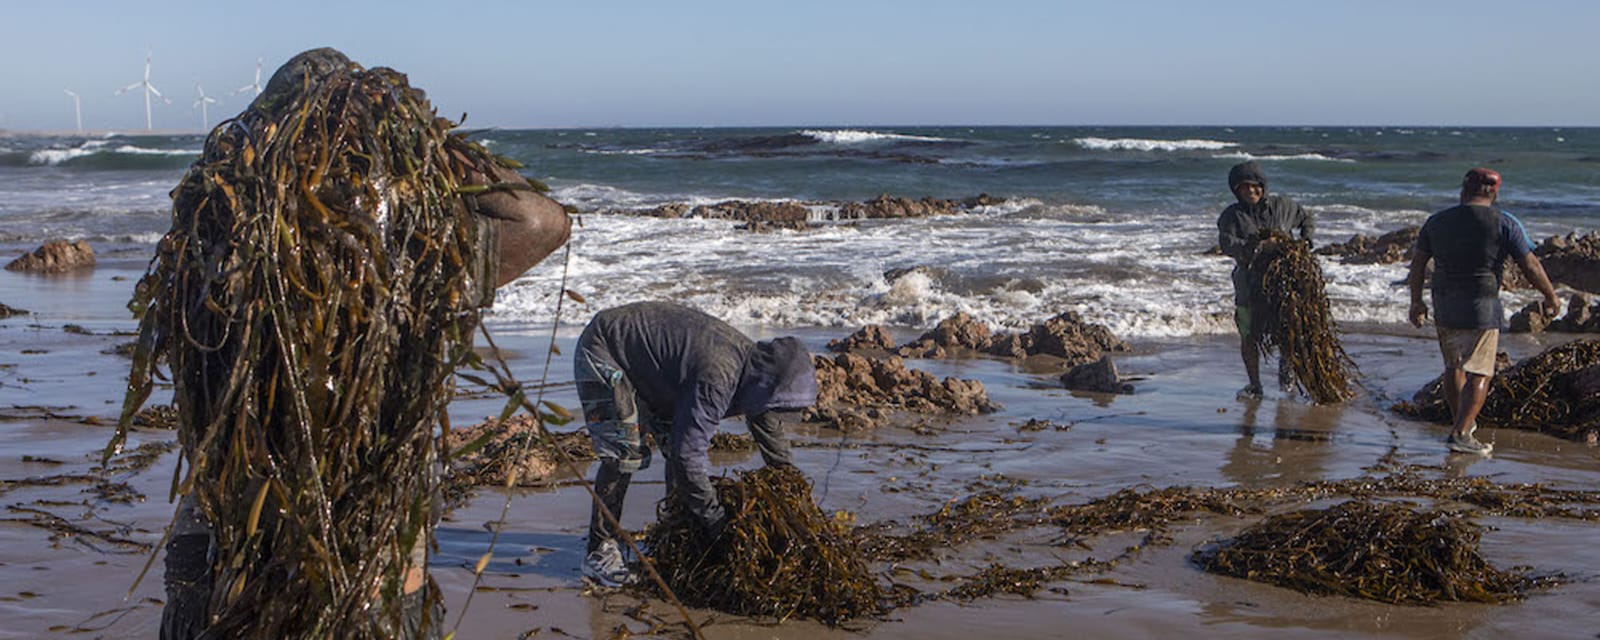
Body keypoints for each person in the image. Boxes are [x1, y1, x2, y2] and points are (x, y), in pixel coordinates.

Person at [158, 48, 571, 639]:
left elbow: (200, 440)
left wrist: (186, 591)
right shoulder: (410, 276)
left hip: (231, 574)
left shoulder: (208, 268)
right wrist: (434, 148)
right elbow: (541, 221)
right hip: (364, 585)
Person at [575, 301, 818, 586]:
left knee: (672, 441)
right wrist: (715, 520)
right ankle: (599, 550)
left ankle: (672, 530)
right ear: (767, 383)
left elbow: (770, 435)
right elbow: (687, 455)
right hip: (606, 346)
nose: (775, 412)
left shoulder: (756, 371)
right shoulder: (719, 377)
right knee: (623, 453)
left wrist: (796, 495)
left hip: (656, 366)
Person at [1407, 167, 1560, 455]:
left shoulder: (1437, 221)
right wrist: (1550, 296)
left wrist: (1416, 302)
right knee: (1480, 372)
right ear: (1495, 193)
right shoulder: (1505, 222)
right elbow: (1530, 265)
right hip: (1482, 305)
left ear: (1463, 190)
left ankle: (1459, 423)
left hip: (1444, 304)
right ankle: (1463, 433)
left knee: (1454, 367)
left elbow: (1417, 266)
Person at [1216, 160, 1315, 399]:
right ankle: (1255, 385)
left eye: (1254, 186)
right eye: (1243, 188)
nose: (1250, 191)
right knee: (1248, 334)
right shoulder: (1231, 216)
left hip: (1284, 282)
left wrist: (1306, 241)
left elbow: (1306, 219)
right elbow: (1227, 244)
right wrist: (1259, 246)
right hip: (1248, 284)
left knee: (1288, 328)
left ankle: (1288, 369)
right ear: (1236, 191)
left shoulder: (1283, 206)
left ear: (1262, 185)